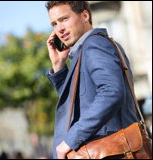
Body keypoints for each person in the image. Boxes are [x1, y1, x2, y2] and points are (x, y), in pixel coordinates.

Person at [45, 1, 139, 159]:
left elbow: (111, 93)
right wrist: (59, 66)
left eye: (64, 19)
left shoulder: (94, 44)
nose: (59, 29)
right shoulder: (85, 51)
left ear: (85, 15)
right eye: (54, 24)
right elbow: (77, 105)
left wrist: (69, 140)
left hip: (112, 152)